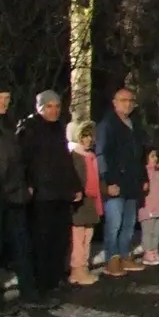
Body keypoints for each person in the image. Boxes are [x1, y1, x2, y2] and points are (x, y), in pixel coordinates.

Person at [0, 90, 50, 312]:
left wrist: (26, 182)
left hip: (15, 193)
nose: (4, 103)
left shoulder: (10, 123)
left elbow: (18, 158)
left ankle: (29, 293)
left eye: (7, 98)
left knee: (22, 245)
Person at [17, 90, 81, 296]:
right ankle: (43, 281)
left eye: (56, 106)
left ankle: (56, 278)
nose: (53, 110)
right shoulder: (29, 128)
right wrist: (28, 184)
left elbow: (65, 160)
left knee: (60, 238)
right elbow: (23, 160)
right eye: (49, 106)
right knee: (42, 239)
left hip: (60, 192)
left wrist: (75, 185)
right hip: (41, 194)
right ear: (39, 108)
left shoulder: (58, 128)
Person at [96, 88, 147, 273]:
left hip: (132, 181)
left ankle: (125, 255)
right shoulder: (107, 125)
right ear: (114, 102)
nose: (128, 103)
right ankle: (112, 258)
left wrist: (143, 177)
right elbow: (102, 153)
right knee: (114, 223)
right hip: (116, 181)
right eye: (123, 100)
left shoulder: (134, 124)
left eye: (130, 100)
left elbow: (139, 154)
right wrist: (107, 180)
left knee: (129, 223)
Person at [67, 122, 103, 286]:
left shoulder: (91, 156)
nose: (88, 139)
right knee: (78, 236)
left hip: (91, 200)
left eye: (90, 136)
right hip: (79, 200)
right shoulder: (75, 155)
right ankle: (77, 268)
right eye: (84, 136)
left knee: (87, 236)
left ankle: (83, 266)